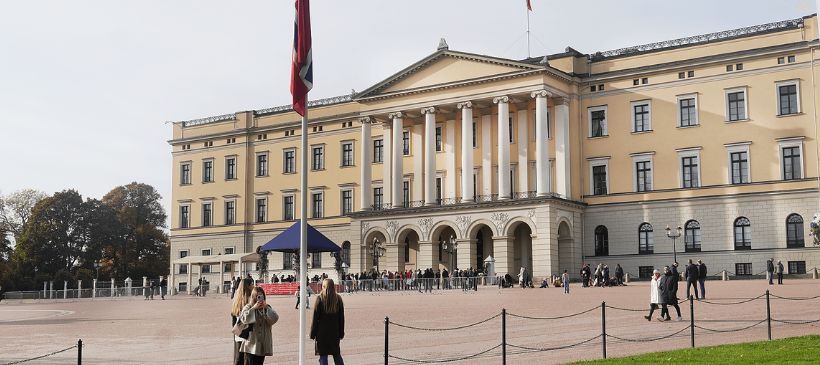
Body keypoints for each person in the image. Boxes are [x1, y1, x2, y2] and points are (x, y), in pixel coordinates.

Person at [239, 287, 279, 365]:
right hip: (251, 343)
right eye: (258, 296)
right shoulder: (249, 307)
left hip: (263, 344)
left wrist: (266, 307)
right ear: (254, 297)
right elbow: (243, 319)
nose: (260, 298)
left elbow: (275, 318)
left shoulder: (267, 307)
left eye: (262, 295)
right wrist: (253, 308)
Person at [310, 279, 346, 365]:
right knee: (336, 354)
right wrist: (341, 333)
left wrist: (312, 333)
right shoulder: (338, 299)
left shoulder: (320, 298)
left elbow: (315, 319)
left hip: (322, 333)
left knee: (323, 355)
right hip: (334, 332)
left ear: (324, 287)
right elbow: (341, 319)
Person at [231, 278, 253, 365]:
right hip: (249, 333)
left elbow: (233, 318)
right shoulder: (251, 300)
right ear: (248, 286)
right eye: (251, 284)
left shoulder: (236, 301)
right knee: (247, 359)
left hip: (239, 332)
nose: (253, 286)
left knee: (238, 359)